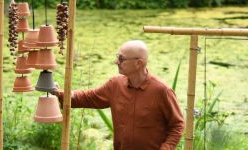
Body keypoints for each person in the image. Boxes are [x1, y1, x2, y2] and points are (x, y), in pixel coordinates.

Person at [52, 40, 185, 150]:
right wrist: (61, 94)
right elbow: (89, 97)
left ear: (139, 63)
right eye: (117, 57)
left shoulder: (162, 91)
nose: (116, 62)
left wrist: (166, 148)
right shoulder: (115, 85)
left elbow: (177, 125)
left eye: (121, 59)